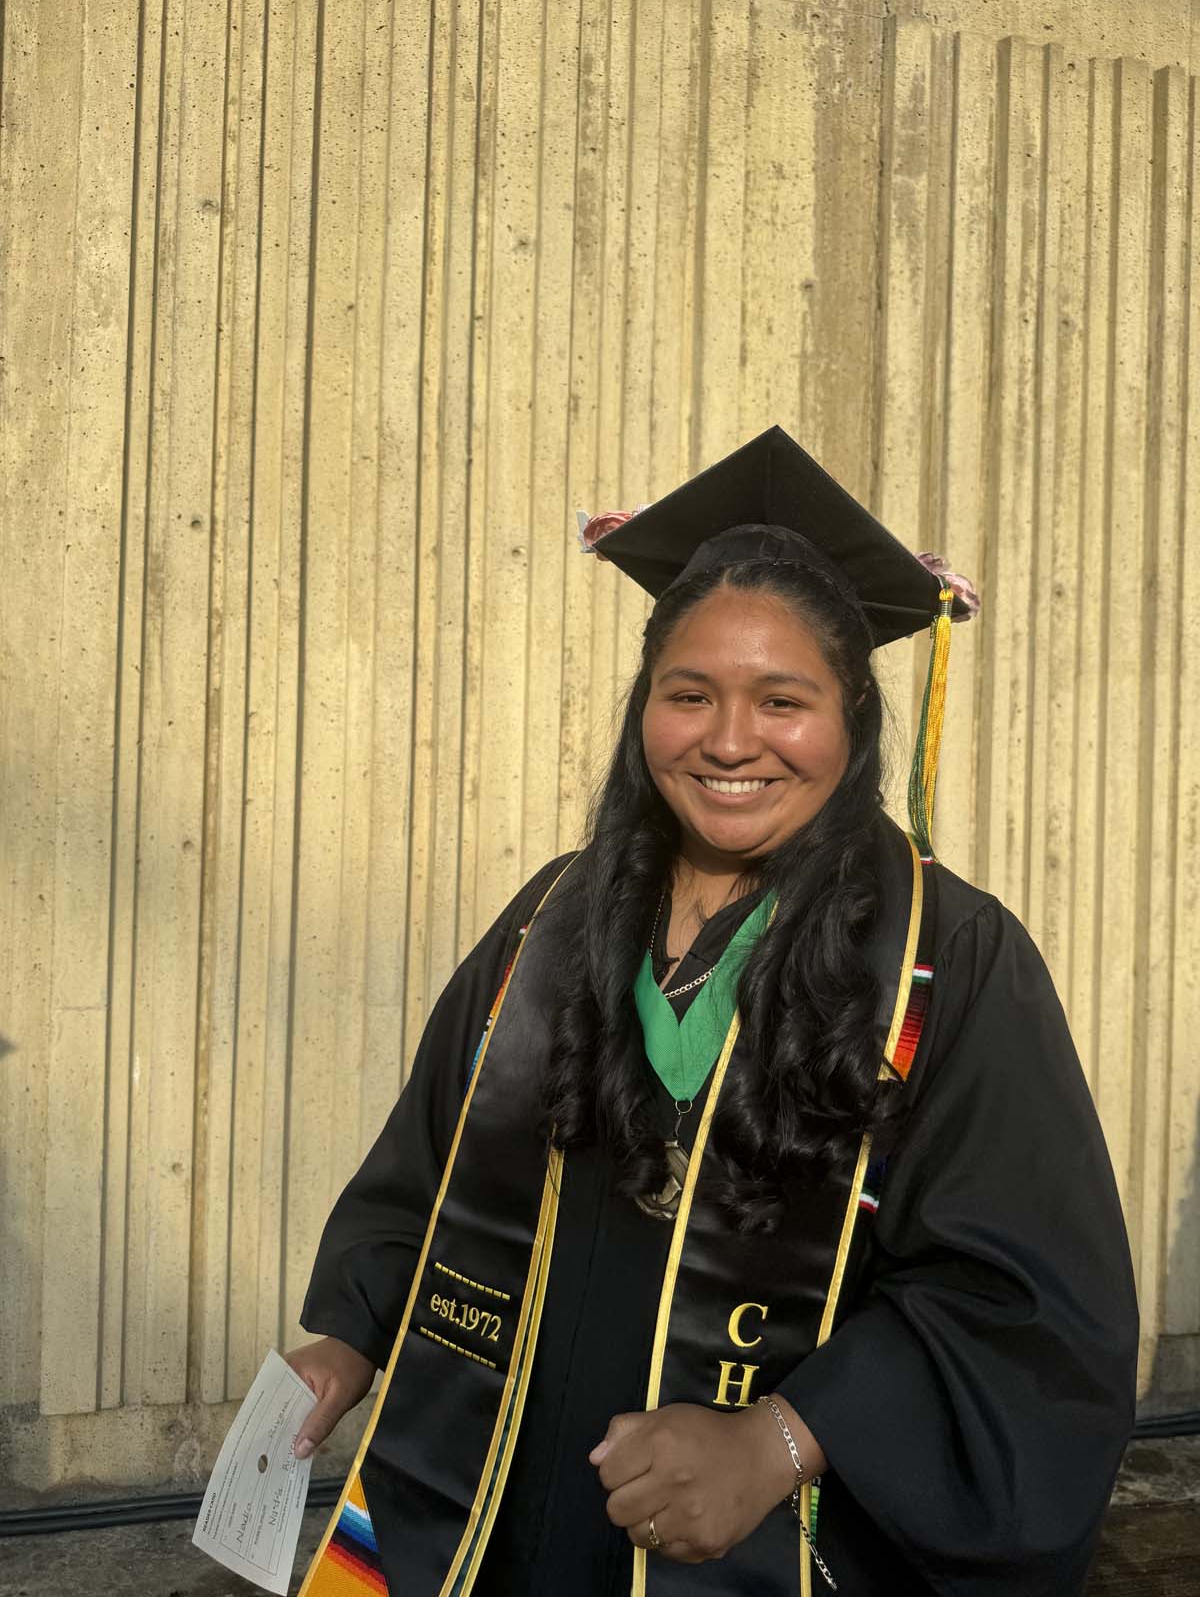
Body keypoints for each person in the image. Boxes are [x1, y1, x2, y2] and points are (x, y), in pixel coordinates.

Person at [288, 428, 1138, 1597]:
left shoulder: (951, 963)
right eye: (690, 694)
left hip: (769, 1543)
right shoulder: (554, 920)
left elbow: (1027, 1310)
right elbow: (428, 1166)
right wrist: (349, 1329)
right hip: (507, 1511)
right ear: (649, 709)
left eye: (782, 700)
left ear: (853, 721)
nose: (731, 740)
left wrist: (780, 1438)